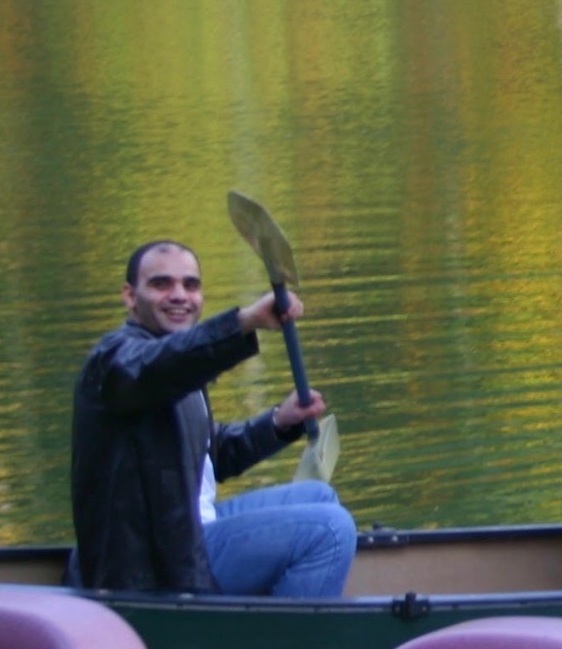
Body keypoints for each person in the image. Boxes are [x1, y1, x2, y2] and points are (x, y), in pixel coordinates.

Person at [71, 238, 356, 596]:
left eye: (190, 285)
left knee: (319, 497)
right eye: (162, 284)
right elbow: (163, 365)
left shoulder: (181, 363)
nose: (180, 295)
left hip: (190, 528)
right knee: (330, 530)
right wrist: (243, 323)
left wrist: (277, 424)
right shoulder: (117, 362)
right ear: (130, 296)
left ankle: (264, 616)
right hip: (155, 567)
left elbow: (202, 454)